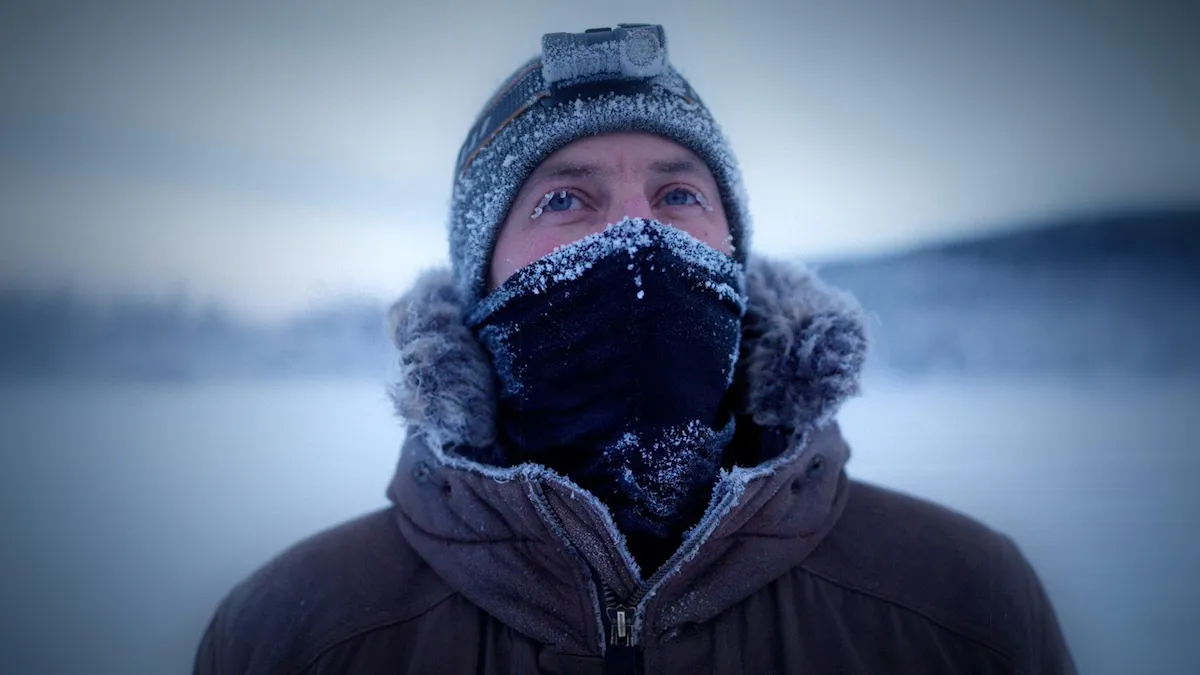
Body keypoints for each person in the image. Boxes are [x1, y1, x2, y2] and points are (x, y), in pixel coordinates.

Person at [194, 24, 1076, 674]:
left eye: (679, 193)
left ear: (734, 248)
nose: (634, 237)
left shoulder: (961, 604)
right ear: (481, 280)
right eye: (564, 199)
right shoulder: (297, 634)